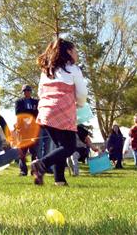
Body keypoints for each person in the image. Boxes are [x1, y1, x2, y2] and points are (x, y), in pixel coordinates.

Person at [30, 38, 88, 186]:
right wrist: (80, 105)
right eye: (75, 51)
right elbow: (82, 94)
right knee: (69, 147)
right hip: (62, 112)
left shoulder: (47, 71)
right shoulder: (73, 69)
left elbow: (40, 91)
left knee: (60, 147)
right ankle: (41, 164)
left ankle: (59, 180)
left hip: (45, 112)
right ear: (68, 52)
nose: (77, 54)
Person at [15, 84, 40, 176]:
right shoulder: (19, 101)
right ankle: (23, 171)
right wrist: (31, 112)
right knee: (22, 151)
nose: (26, 92)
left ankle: (34, 170)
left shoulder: (36, 101)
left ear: (31, 91)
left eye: (28, 90)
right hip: (22, 130)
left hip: (33, 129)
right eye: (25, 91)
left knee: (34, 151)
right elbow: (18, 113)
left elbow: (37, 113)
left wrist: (28, 112)